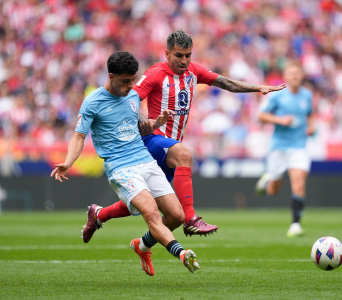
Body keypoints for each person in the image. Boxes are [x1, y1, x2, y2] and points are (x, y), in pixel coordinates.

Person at [82, 29, 287, 242]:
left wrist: (258, 88)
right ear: (167, 53)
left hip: (169, 145)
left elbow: (226, 83)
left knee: (157, 209)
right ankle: (191, 219)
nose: (184, 60)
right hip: (151, 140)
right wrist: (146, 122)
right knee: (183, 154)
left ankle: (108, 221)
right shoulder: (155, 73)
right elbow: (129, 102)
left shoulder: (194, 72)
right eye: (179, 55)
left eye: (188, 55)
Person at [50, 51, 199, 276]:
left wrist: (154, 123)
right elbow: (79, 136)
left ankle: (139, 244)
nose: (131, 86)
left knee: (176, 216)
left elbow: (136, 126)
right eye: (125, 81)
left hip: (145, 160)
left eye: (133, 80)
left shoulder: (132, 97)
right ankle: (181, 253)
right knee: (152, 213)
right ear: (111, 76)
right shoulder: (93, 102)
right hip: (120, 167)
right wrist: (68, 162)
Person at [255, 61, 314, 238]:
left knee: (299, 183)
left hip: (299, 147)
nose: (295, 76)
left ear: (302, 76)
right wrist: (281, 120)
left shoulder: (307, 95)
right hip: (278, 148)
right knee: (273, 191)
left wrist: (312, 127)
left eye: (297, 73)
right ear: (286, 77)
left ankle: (295, 224)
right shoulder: (276, 96)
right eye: (291, 73)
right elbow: (260, 116)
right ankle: (267, 183)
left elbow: (311, 115)